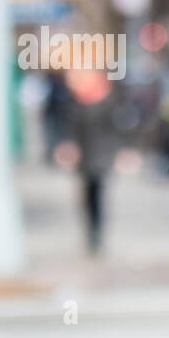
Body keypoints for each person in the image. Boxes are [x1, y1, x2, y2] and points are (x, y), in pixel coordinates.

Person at [67, 68, 115, 255]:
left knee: (98, 195)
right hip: (85, 156)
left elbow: (115, 129)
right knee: (86, 197)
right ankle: (90, 233)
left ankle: (97, 234)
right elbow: (72, 128)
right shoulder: (77, 102)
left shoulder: (107, 102)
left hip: (101, 155)